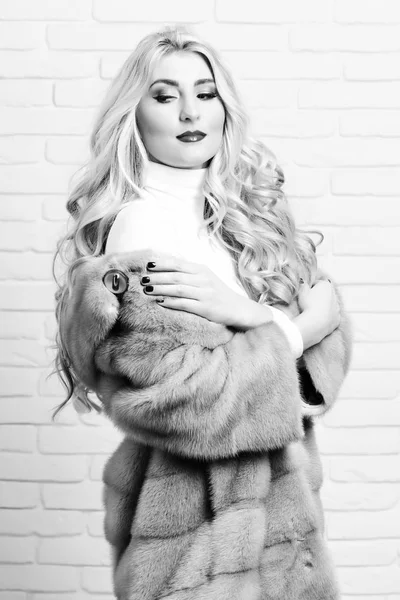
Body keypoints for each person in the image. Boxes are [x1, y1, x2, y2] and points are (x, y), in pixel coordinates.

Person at [53, 25, 352, 600]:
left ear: (223, 108)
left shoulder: (243, 220)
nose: (190, 111)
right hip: (195, 539)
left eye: (206, 93)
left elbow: (322, 366)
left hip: (283, 529)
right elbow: (189, 398)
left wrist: (246, 316)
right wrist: (296, 327)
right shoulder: (142, 229)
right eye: (165, 96)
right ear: (134, 115)